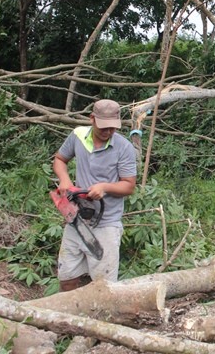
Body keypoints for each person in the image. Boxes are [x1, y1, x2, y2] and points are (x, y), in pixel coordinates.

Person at [53, 99, 137, 291]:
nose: (108, 132)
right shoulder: (78, 136)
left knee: (103, 286)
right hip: (77, 218)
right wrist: (64, 180)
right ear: (92, 119)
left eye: (112, 128)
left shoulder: (124, 148)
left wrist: (105, 187)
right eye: (104, 128)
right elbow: (60, 159)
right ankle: (66, 317)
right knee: (67, 276)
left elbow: (129, 186)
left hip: (107, 222)